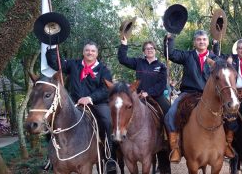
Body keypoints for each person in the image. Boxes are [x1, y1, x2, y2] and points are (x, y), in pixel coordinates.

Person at [46, 41, 116, 172]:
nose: (90, 53)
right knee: (51, 120)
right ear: (83, 52)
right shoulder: (73, 64)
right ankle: (50, 158)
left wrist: (90, 98)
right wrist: (52, 47)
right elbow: (56, 63)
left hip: (97, 103)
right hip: (74, 103)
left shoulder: (103, 70)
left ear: (97, 54)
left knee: (107, 122)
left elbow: (105, 89)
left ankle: (109, 157)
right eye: (87, 50)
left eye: (93, 51)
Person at [163, 30, 218, 163]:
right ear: (194, 42)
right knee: (170, 114)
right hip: (188, 93)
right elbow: (170, 54)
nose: (201, 42)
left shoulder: (215, 58)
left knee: (228, 115)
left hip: (209, 95)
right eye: (199, 39)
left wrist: (217, 47)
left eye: (204, 39)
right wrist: (170, 38)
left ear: (208, 42)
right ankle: (175, 148)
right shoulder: (187, 55)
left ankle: (226, 144)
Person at [117, 38, 171, 173]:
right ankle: (118, 143)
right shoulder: (138, 62)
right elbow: (123, 59)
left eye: (151, 48)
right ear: (144, 52)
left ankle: (170, 142)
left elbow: (161, 84)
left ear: (155, 50)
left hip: (156, 96)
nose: (149, 50)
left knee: (169, 114)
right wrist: (124, 45)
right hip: (138, 97)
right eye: (147, 49)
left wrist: (149, 92)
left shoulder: (161, 66)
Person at [213, 39, 242, 158]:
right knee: (230, 118)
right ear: (236, 50)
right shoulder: (231, 60)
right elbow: (218, 57)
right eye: (240, 48)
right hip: (234, 94)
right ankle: (229, 144)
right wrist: (216, 43)